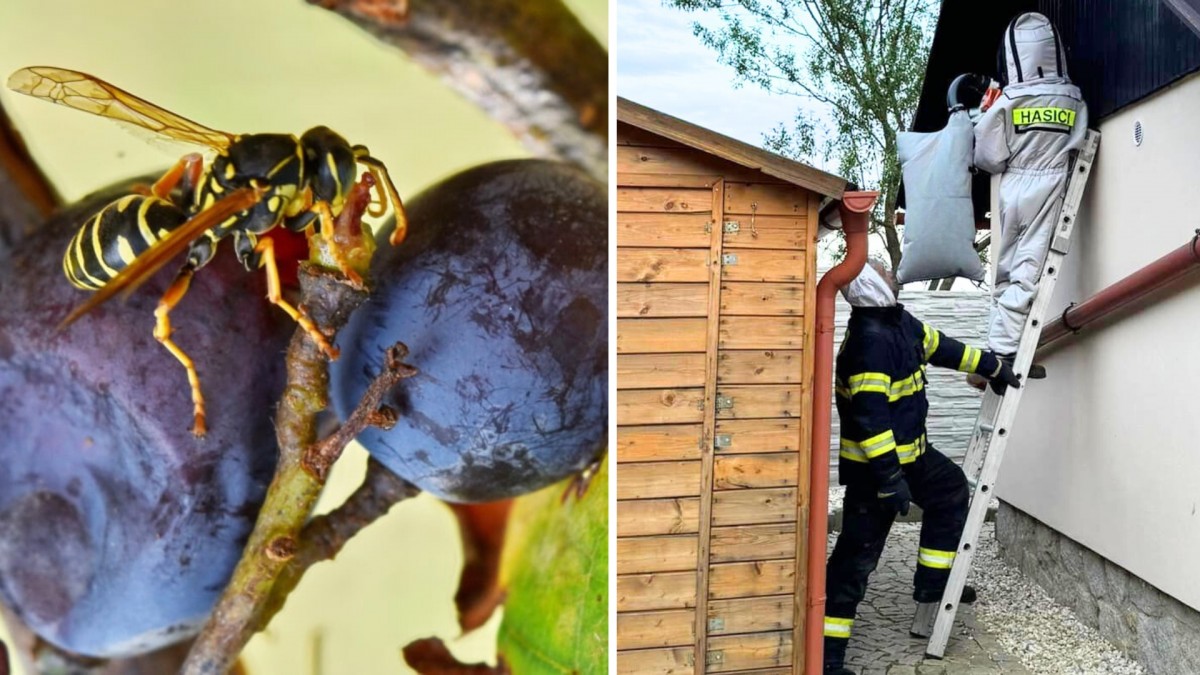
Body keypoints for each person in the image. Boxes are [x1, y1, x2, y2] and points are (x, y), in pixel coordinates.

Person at [823, 259, 1020, 675]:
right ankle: (828, 657)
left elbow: (940, 345)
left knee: (950, 491)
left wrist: (992, 367)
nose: (893, 274)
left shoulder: (897, 323)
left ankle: (932, 583)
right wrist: (890, 480)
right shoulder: (869, 342)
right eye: (884, 270)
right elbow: (870, 421)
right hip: (876, 473)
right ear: (874, 284)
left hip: (912, 457)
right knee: (855, 561)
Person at [974, 11, 1088, 361]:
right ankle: (1005, 351)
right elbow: (1079, 143)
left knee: (1006, 269)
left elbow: (988, 158)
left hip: (1013, 187)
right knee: (1028, 269)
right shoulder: (1073, 98)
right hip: (1050, 182)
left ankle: (1000, 345)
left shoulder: (1008, 101)